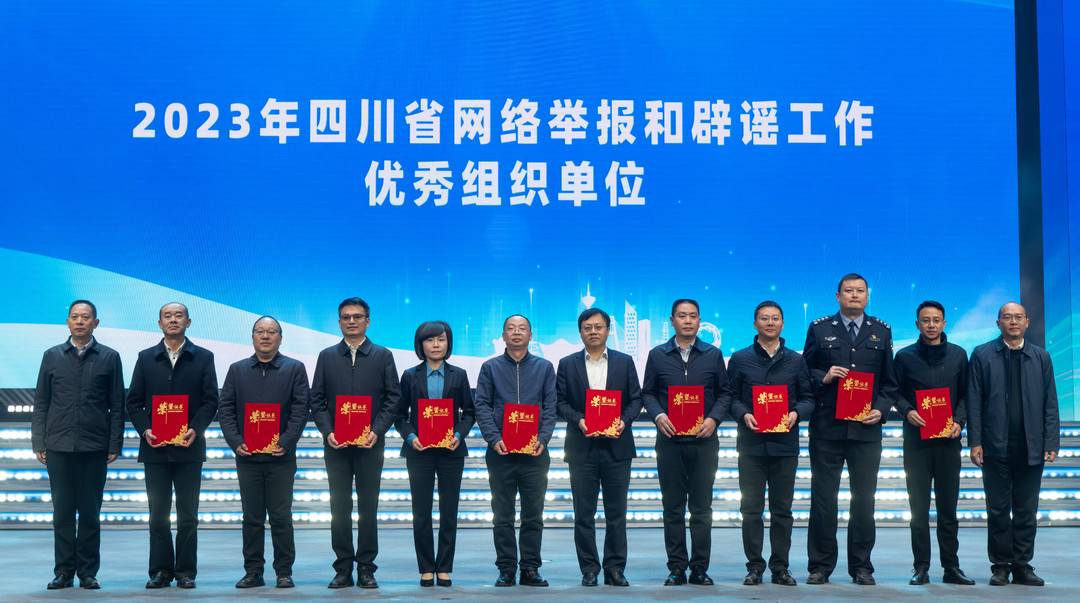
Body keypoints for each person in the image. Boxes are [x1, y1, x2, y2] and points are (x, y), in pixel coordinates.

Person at [802, 273, 898, 585]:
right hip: (827, 428)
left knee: (864, 500)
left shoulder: (881, 330)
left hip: (865, 430)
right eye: (848, 291)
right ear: (838, 296)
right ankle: (820, 566)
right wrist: (824, 376)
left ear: (867, 296)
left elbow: (890, 383)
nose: (854, 295)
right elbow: (803, 372)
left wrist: (881, 410)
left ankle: (861, 566)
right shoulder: (819, 328)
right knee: (823, 499)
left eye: (860, 291)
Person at [125, 302, 219, 589]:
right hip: (155, 449)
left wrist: (195, 429)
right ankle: (160, 571)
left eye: (179, 316)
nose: (173, 320)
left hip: (189, 448)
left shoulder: (203, 357)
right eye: (168, 316)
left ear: (188, 322)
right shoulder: (145, 358)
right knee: (158, 515)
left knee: (188, 515)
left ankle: (186, 572)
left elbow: (210, 400)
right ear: (159, 323)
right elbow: (133, 401)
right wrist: (146, 429)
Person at [309, 297, 401, 589]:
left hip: (369, 445)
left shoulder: (382, 356)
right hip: (336, 445)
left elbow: (393, 398)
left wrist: (378, 430)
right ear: (339, 322)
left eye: (357, 317)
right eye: (346, 317)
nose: (351, 321)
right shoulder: (326, 356)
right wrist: (327, 431)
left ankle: (366, 568)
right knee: (339, 508)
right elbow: (316, 399)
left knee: (368, 508)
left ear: (367, 321)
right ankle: (342, 568)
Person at [32, 300, 124, 590]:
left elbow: (117, 404)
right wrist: (38, 440)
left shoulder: (109, 357)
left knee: (89, 513)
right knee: (61, 513)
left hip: (94, 446)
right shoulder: (52, 356)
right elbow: (42, 401)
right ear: (68, 322)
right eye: (75, 317)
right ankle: (63, 572)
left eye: (86, 317)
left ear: (96, 323)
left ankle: (87, 572)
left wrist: (114, 443)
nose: (80, 321)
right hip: (58, 445)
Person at [968, 301, 1060, 586]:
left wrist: (1051, 440)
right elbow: (974, 401)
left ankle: (1022, 565)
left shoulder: (1041, 357)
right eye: (1007, 317)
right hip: (995, 445)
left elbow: (1050, 402)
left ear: (1027, 322)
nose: (1013, 322)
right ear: (998, 323)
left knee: (1026, 510)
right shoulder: (982, 354)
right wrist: (975, 441)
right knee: (997, 510)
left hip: (1031, 446)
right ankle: (1000, 566)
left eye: (1019, 317)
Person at [642, 298, 730, 586]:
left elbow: (725, 393)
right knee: (673, 508)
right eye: (682, 316)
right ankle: (677, 567)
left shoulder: (713, 355)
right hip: (670, 442)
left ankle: (700, 568)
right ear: (672, 320)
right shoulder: (657, 355)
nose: (688, 321)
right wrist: (658, 415)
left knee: (702, 508)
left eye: (693, 316)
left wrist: (713, 419)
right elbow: (648, 393)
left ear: (699, 320)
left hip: (704, 442)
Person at [218, 316, 309, 589]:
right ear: (252, 337)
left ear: (280, 337)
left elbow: (300, 408)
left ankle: (284, 571)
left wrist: (287, 440)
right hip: (248, 457)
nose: (265, 336)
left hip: (281, 456)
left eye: (271, 332)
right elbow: (226, 409)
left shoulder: (294, 368)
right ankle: (253, 572)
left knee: (281, 516)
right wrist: (236, 442)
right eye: (260, 331)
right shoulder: (237, 370)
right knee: (252, 517)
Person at [726, 301, 813, 587]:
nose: (770, 323)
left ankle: (780, 567)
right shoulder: (740, 358)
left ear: (783, 324)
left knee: (782, 510)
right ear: (755, 323)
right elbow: (730, 397)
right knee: (751, 509)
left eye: (775, 318)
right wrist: (744, 414)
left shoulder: (796, 360)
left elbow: (808, 398)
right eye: (764, 318)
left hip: (784, 445)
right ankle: (754, 566)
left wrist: (796, 414)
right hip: (751, 445)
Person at [555, 308, 643, 587]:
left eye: (598, 327)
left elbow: (636, 399)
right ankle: (589, 569)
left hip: (617, 446)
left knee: (617, 513)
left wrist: (623, 421)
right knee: (584, 514)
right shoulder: (567, 364)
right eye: (587, 328)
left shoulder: (624, 362)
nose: (593, 332)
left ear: (607, 330)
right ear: (580, 332)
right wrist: (579, 420)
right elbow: (559, 402)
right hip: (582, 447)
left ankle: (615, 568)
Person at [893, 300, 975, 585]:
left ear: (944, 323)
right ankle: (921, 567)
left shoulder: (958, 355)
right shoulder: (904, 357)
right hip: (916, 442)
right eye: (925, 320)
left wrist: (959, 421)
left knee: (948, 509)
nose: (931, 325)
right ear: (917, 324)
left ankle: (951, 567)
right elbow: (894, 392)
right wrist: (907, 411)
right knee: (918, 510)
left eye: (936, 320)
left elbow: (966, 394)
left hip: (948, 442)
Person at [474, 315, 557, 587]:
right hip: (501, 452)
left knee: (533, 514)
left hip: (535, 453)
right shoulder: (490, 367)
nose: (517, 333)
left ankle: (530, 568)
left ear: (531, 335)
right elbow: (482, 405)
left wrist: (543, 438)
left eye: (522, 329)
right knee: (503, 514)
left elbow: (550, 406)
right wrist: (493, 438)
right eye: (511, 329)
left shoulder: (544, 368)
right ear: (503, 335)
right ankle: (506, 568)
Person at [392, 321, 475, 587]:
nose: (436, 345)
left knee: (449, 511)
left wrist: (458, 435)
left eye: (441, 339)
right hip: (420, 451)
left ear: (448, 343)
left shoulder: (459, 375)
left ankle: (445, 567)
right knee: (421, 512)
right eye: (430, 340)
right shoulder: (409, 375)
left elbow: (469, 413)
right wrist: (411, 437)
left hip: (451, 451)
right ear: (421, 345)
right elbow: (399, 415)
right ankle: (426, 567)